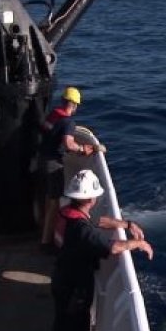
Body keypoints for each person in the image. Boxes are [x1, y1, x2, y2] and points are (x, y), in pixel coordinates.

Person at [50, 169, 153, 331]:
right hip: (75, 289)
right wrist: (137, 244)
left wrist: (127, 223)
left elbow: (99, 221)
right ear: (91, 199)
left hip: (60, 280)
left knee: (61, 327)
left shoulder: (67, 213)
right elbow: (112, 247)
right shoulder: (82, 230)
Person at [38, 86, 95, 254]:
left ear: (63, 100)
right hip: (53, 163)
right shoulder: (69, 122)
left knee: (47, 199)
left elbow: (46, 130)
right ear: (75, 105)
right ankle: (46, 243)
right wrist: (83, 149)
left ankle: (42, 231)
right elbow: (69, 145)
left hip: (41, 159)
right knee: (54, 202)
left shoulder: (53, 114)